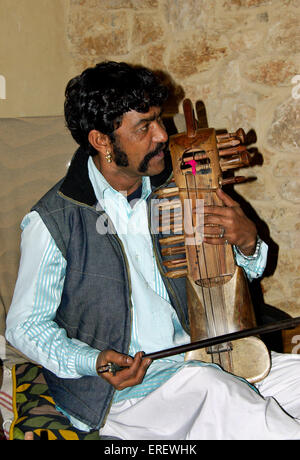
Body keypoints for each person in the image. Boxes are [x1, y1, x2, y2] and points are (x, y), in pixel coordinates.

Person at [6, 61, 300, 440]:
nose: (163, 135)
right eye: (144, 127)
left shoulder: (179, 187)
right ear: (102, 141)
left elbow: (248, 267)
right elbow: (24, 326)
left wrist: (248, 242)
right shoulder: (54, 220)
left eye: (158, 119)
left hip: (206, 356)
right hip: (128, 392)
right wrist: (91, 361)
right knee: (229, 400)